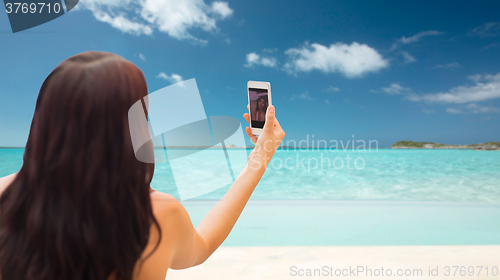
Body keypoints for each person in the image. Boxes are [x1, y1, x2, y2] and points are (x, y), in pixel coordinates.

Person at [0, 51, 285, 280]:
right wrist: (259, 158)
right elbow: (202, 247)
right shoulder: (156, 216)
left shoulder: (5, 196)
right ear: (133, 129)